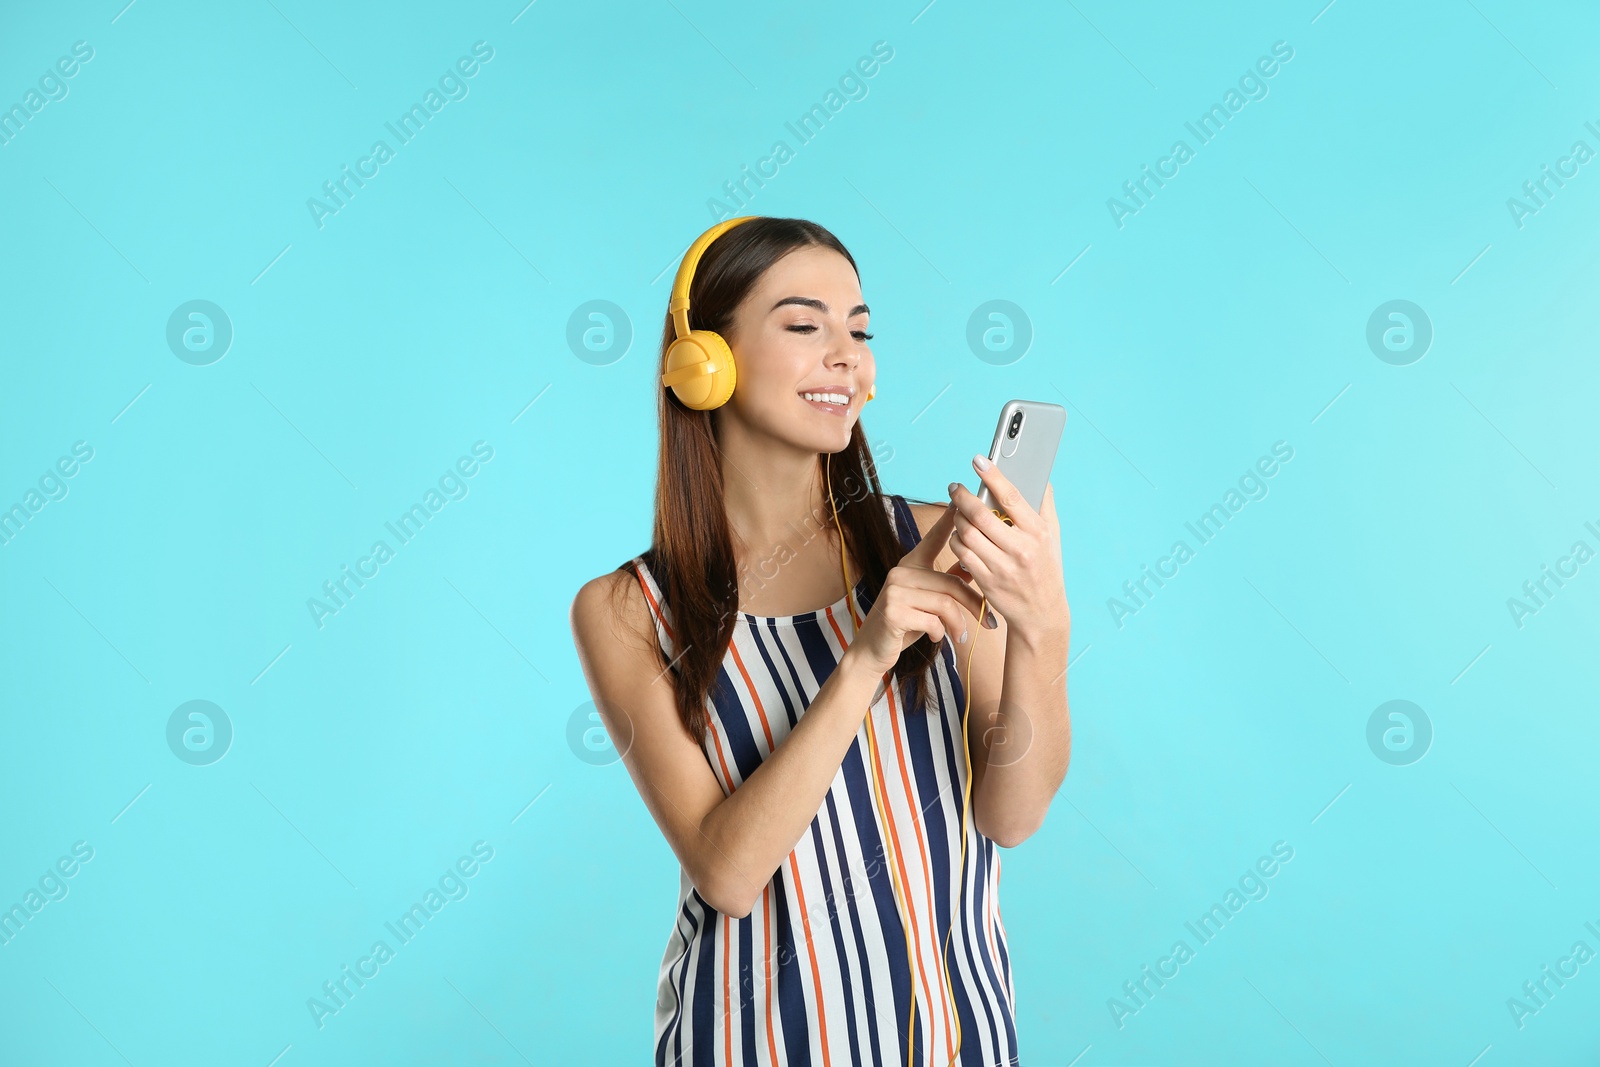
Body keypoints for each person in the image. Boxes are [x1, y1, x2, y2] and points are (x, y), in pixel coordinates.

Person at [569, 216, 1072, 1066]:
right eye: (805, 325)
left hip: (953, 1039)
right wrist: (866, 654)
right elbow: (727, 875)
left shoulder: (942, 538)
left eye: (861, 330)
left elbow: (1010, 817)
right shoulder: (626, 611)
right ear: (706, 364)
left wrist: (1042, 626)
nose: (849, 356)